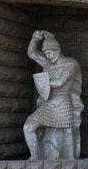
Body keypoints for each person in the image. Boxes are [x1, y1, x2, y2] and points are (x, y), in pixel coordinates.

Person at [24, 30, 84, 160]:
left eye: (50, 52)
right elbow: (32, 53)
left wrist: (44, 82)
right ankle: (35, 157)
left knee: (68, 131)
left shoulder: (71, 64)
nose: (48, 56)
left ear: (58, 49)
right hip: (47, 104)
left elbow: (59, 82)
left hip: (63, 103)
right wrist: (35, 39)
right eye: (45, 53)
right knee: (28, 127)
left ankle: (71, 159)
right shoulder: (47, 64)